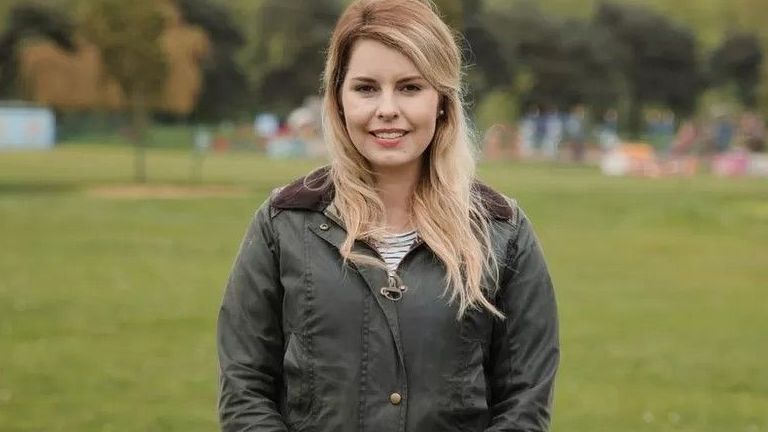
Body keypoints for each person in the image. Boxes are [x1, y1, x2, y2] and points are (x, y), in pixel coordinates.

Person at [216, 1, 559, 431]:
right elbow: (244, 389)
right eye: (366, 88)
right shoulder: (283, 224)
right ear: (338, 99)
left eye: (410, 87)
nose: (387, 109)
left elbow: (525, 402)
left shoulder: (501, 232)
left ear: (441, 101)